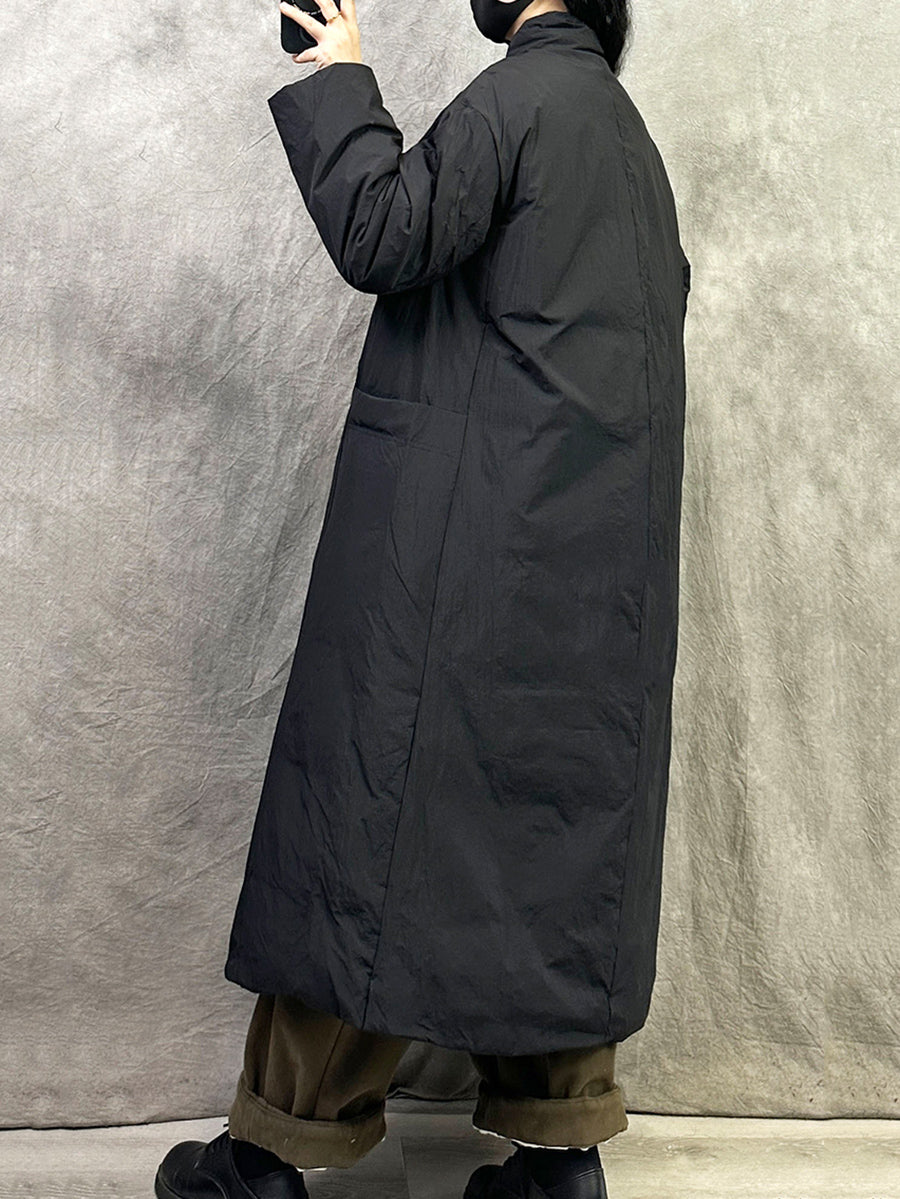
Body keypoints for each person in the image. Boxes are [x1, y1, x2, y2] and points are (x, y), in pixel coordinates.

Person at [155, 0, 690, 1195]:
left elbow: (382, 232)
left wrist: (341, 76)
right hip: (594, 589)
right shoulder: (630, 143)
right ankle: (560, 1155)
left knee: (373, 828)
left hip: (466, 563)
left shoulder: (518, 101)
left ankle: (270, 1153)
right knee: (556, 850)